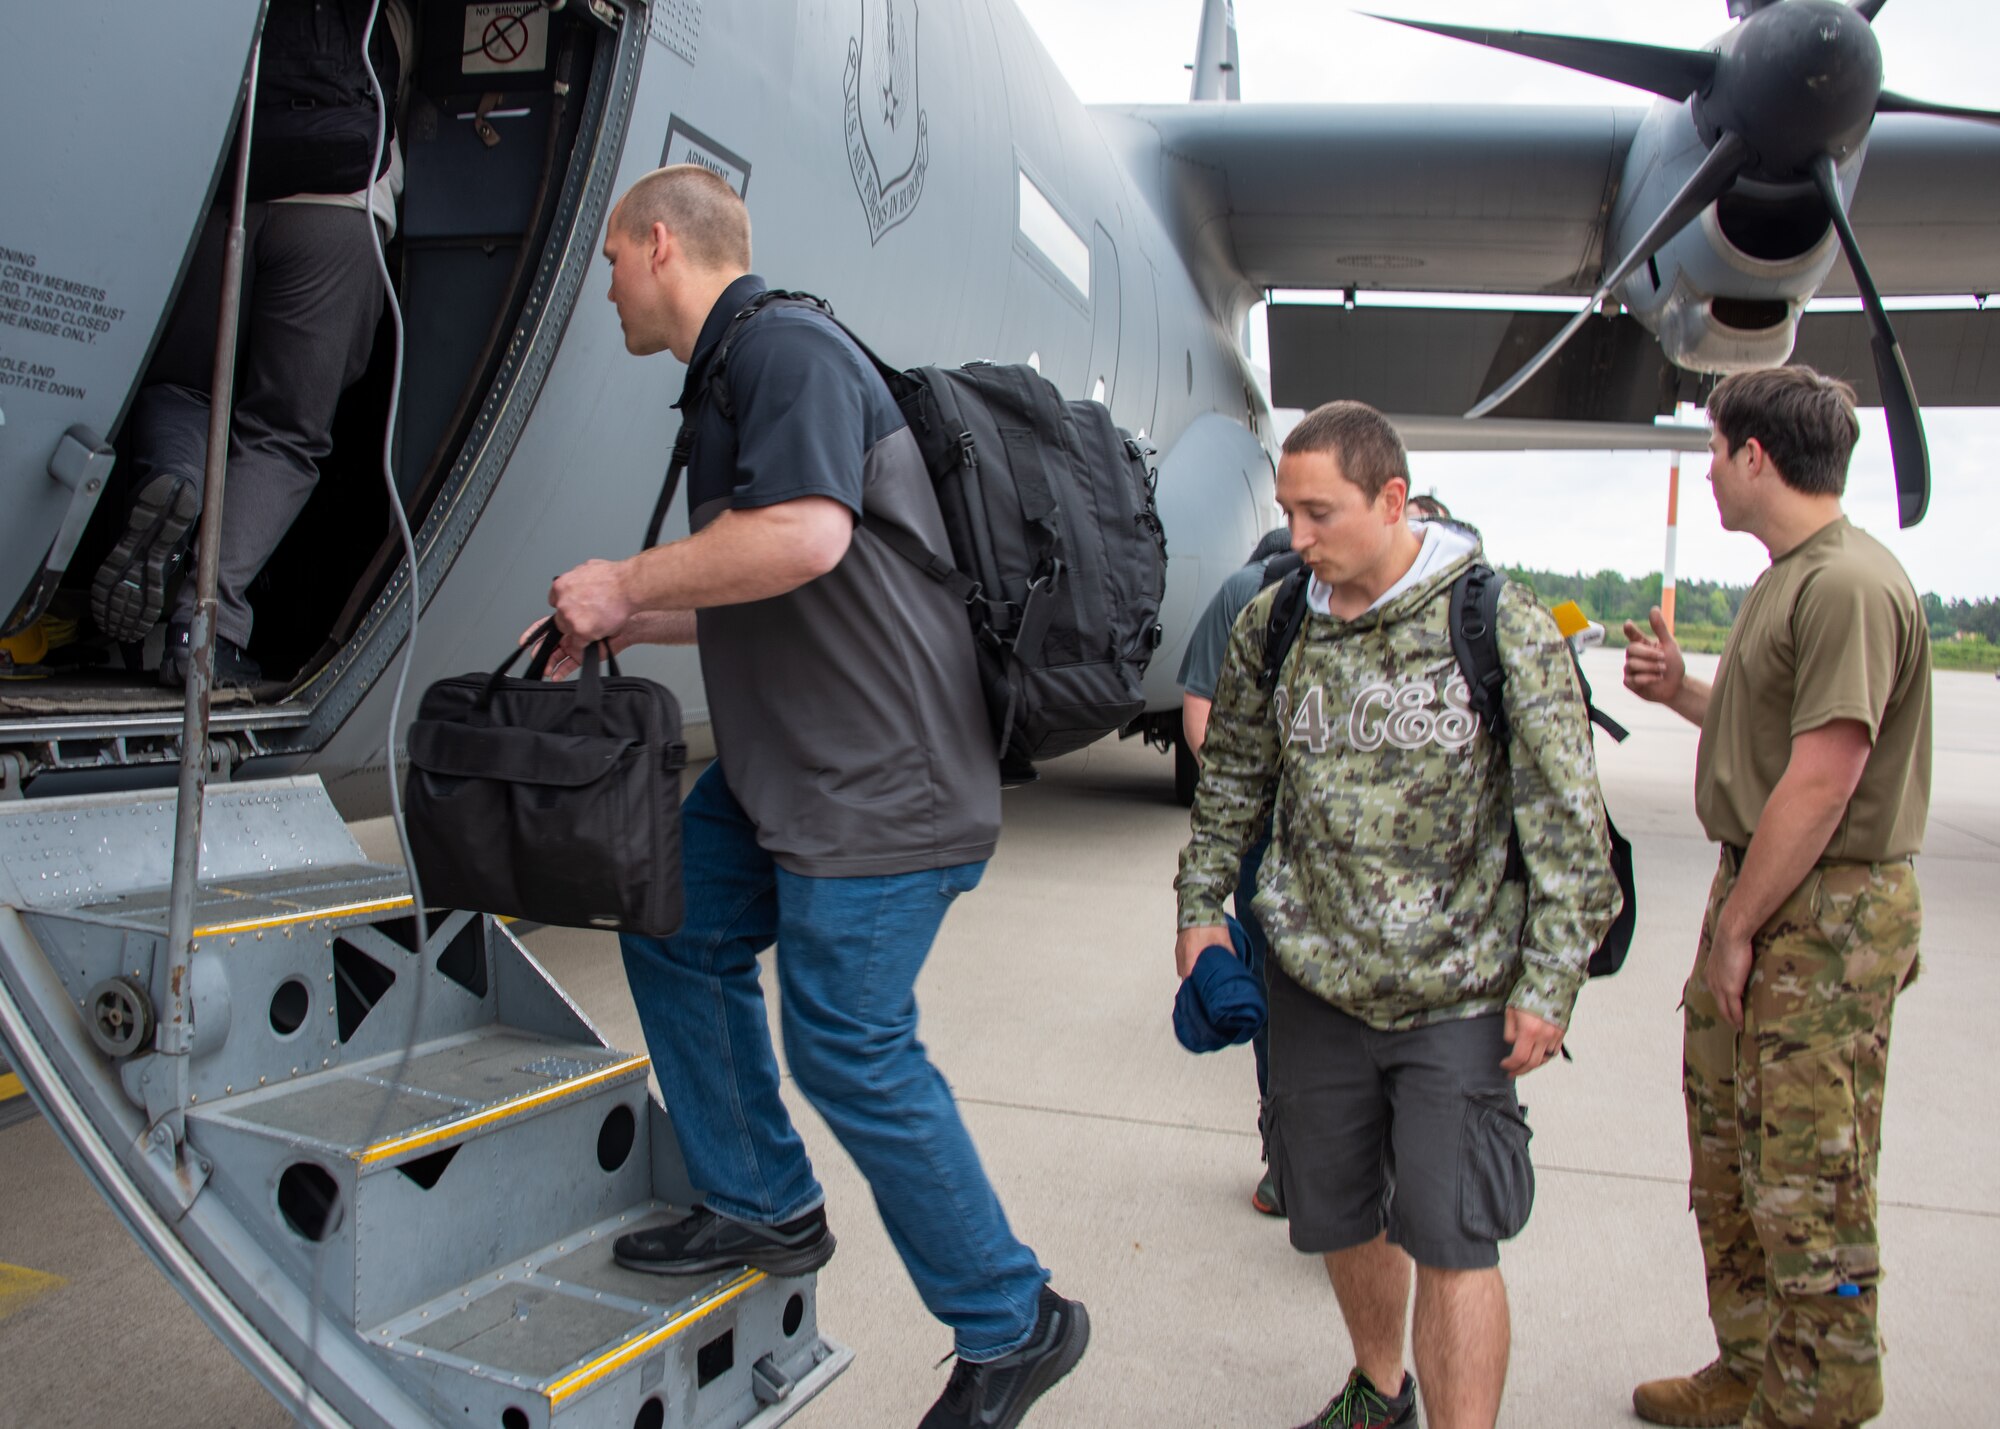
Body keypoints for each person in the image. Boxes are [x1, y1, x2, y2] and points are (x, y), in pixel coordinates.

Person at [542, 165, 1087, 1429]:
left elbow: (803, 537)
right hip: (795, 767)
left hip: (879, 785)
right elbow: (774, 577)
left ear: (658, 243)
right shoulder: (742, 366)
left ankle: (1015, 1321)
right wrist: (618, 622)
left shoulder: (784, 348)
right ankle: (760, 1199)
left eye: (611, 260)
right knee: (674, 922)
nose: (606, 287)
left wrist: (621, 581)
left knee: (846, 1044)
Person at [1174, 400, 1618, 1429]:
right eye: (1287, 513)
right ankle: (1379, 1389)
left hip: (1455, 990)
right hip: (1312, 980)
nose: (1296, 539)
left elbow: (1565, 825)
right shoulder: (1272, 621)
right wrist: (1199, 910)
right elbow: (1233, 777)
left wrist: (1546, 986)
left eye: (1319, 514)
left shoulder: (1494, 620)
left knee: (1454, 1232)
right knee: (1334, 1211)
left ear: (1390, 498)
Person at [1623, 367, 1930, 1429]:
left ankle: (1819, 1395)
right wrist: (1681, 693)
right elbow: (1777, 737)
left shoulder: (1844, 584)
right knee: (1731, 1154)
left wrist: (1740, 929)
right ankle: (1750, 1363)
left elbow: (1824, 774)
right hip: (1766, 888)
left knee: (1807, 1168)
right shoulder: (1786, 576)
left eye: (1712, 449)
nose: (1706, 471)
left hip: (1819, 912)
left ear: (1754, 455)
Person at [91, 0, 412, 687]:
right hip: (338, 208)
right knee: (282, 434)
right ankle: (207, 623)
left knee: (183, 384)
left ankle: (175, 477)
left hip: (218, 190)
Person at [1176, 525, 1294, 1215]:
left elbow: (1200, 720)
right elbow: (1203, 709)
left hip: (1303, 846)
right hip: (1271, 841)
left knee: (1283, 1004)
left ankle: (1301, 1162)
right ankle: (1291, 1156)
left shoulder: (1242, 588)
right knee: (1277, 1000)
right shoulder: (1250, 596)